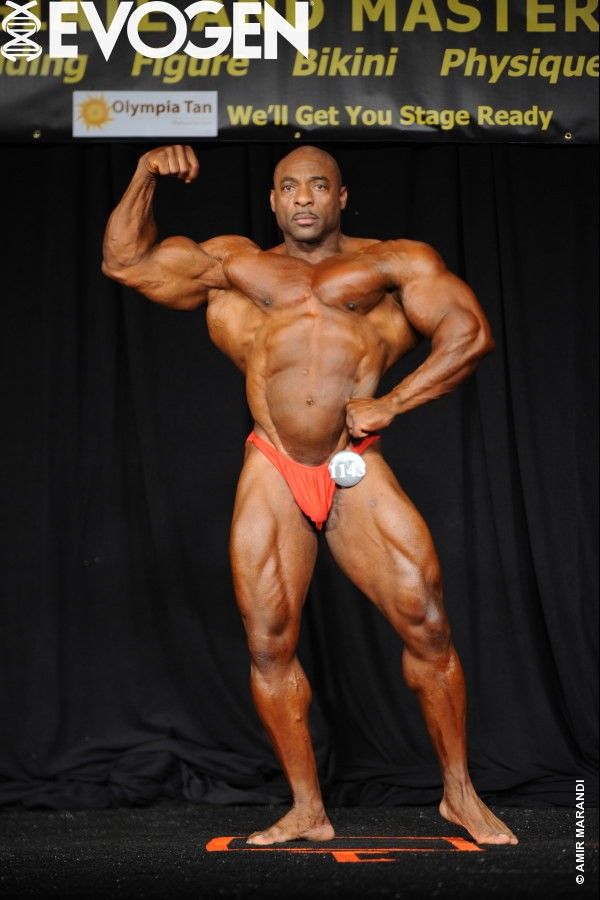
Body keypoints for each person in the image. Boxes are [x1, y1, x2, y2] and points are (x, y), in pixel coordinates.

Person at [102, 143, 518, 847]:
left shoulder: (393, 263)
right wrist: (144, 173)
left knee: (427, 621)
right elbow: (126, 262)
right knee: (268, 639)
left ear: (341, 197)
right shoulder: (235, 264)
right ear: (272, 201)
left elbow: (468, 333)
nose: (303, 198)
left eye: (318, 186)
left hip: (354, 461)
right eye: (289, 187)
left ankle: (459, 794)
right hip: (272, 461)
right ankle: (306, 809)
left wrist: (395, 401)